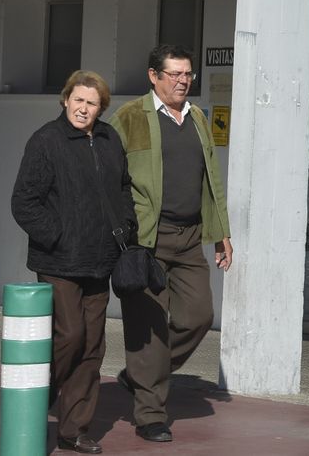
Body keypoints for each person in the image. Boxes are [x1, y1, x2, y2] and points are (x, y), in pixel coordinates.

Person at [112, 44, 233, 443]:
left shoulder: (197, 117)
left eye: (188, 75)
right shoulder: (129, 118)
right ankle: (150, 415)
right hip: (147, 240)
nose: (183, 81)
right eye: (175, 74)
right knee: (148, 328)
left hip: (189, 237)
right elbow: (112, 180)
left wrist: (221, 234)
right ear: (153, 76)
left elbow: (211, 180)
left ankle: (139, 376)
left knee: (198, 315)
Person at [10, 70, 132, 456]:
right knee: (71, 336)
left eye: (91, 103)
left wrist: (127, 227)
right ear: (65, 100)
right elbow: (24, 202)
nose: (83, 108)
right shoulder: (46, 140)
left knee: (93, 347)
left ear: (101, 108)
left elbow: (124, 189)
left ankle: (73, 430)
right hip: (59, 260)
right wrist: (59, 235)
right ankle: (37, 390)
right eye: (78, 100)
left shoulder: (111, 140)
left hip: (100, 261)